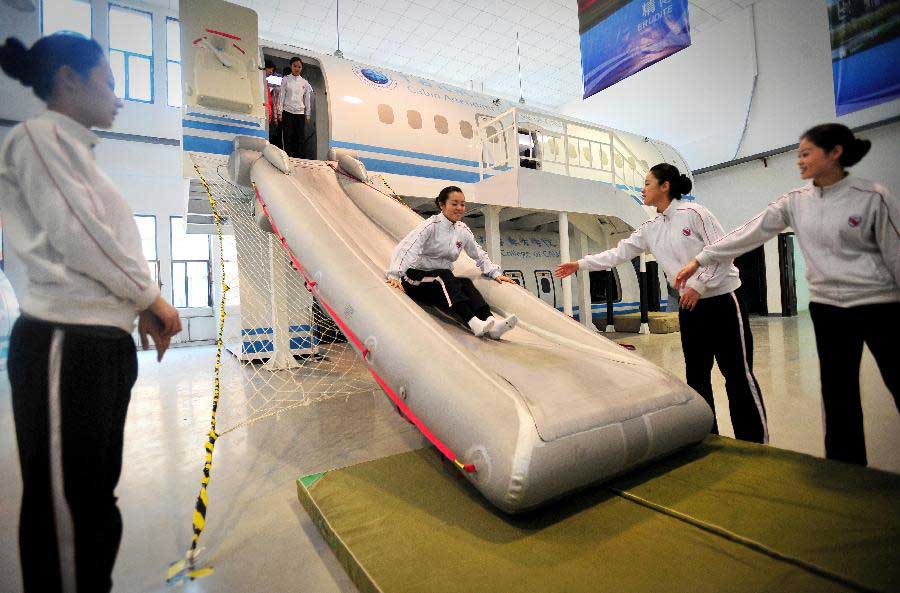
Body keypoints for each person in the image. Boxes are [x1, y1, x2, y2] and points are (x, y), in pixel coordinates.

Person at [0, 34, 182, 593]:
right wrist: (151, 299)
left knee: (94, 497)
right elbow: (81, 236)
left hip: (98, 345)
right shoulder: (38, 137)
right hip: (64, 342)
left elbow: (101, 245)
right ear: (68, 80)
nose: (118, 98)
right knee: (69, 507)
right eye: (108, 81)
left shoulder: (75, 152)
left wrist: (138, 307)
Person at [675, 124, 899, 465]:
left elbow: (896, 254)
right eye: (798, 155)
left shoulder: (873, 197)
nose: (799, 161)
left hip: (879, 306)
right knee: (838, 395)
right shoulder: (795, 203)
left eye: (806, 153)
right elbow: (748, 232)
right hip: (829, 310)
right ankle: (847, 468)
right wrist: (701, 258)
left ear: (835, 153)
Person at [556, 164, 768, 443]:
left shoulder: (695, 214)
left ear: (665, 186)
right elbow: (618, 254)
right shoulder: (650, 228)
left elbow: (723, 251)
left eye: (647, 183)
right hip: (690, 308)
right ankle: (711, 439)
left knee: (738, 375)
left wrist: (698, 285)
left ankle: (755, 442)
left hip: (723, 302)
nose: (642, 189)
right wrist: (580, 264)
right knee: (697, 377)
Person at [387, 186, 519, 339]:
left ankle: (491, 322)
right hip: (415, 279)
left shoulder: (462, 230)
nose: (459, 208)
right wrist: (395, 275)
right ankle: (473, 322)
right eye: (454, 203)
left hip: (438, 281)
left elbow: (478, 253)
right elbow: (407, 247)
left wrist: (494, 272)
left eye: (462, 204)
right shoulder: (430, 226)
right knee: (444, 275)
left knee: (465, 283)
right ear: (442, 205)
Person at [275, 56, 313, 158]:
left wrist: (308, 114)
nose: (297, 68)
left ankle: (299, 157)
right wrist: (279, 112)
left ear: (302, 68)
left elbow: (307, 99)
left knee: (300, 136)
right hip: (287, 111)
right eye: (295, 66)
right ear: (291, 66)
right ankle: (287, 156)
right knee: (287, 136)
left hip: (300, 113)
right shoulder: (286, 79)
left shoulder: (305, 83)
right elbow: (281, 96)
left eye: (299, 67)